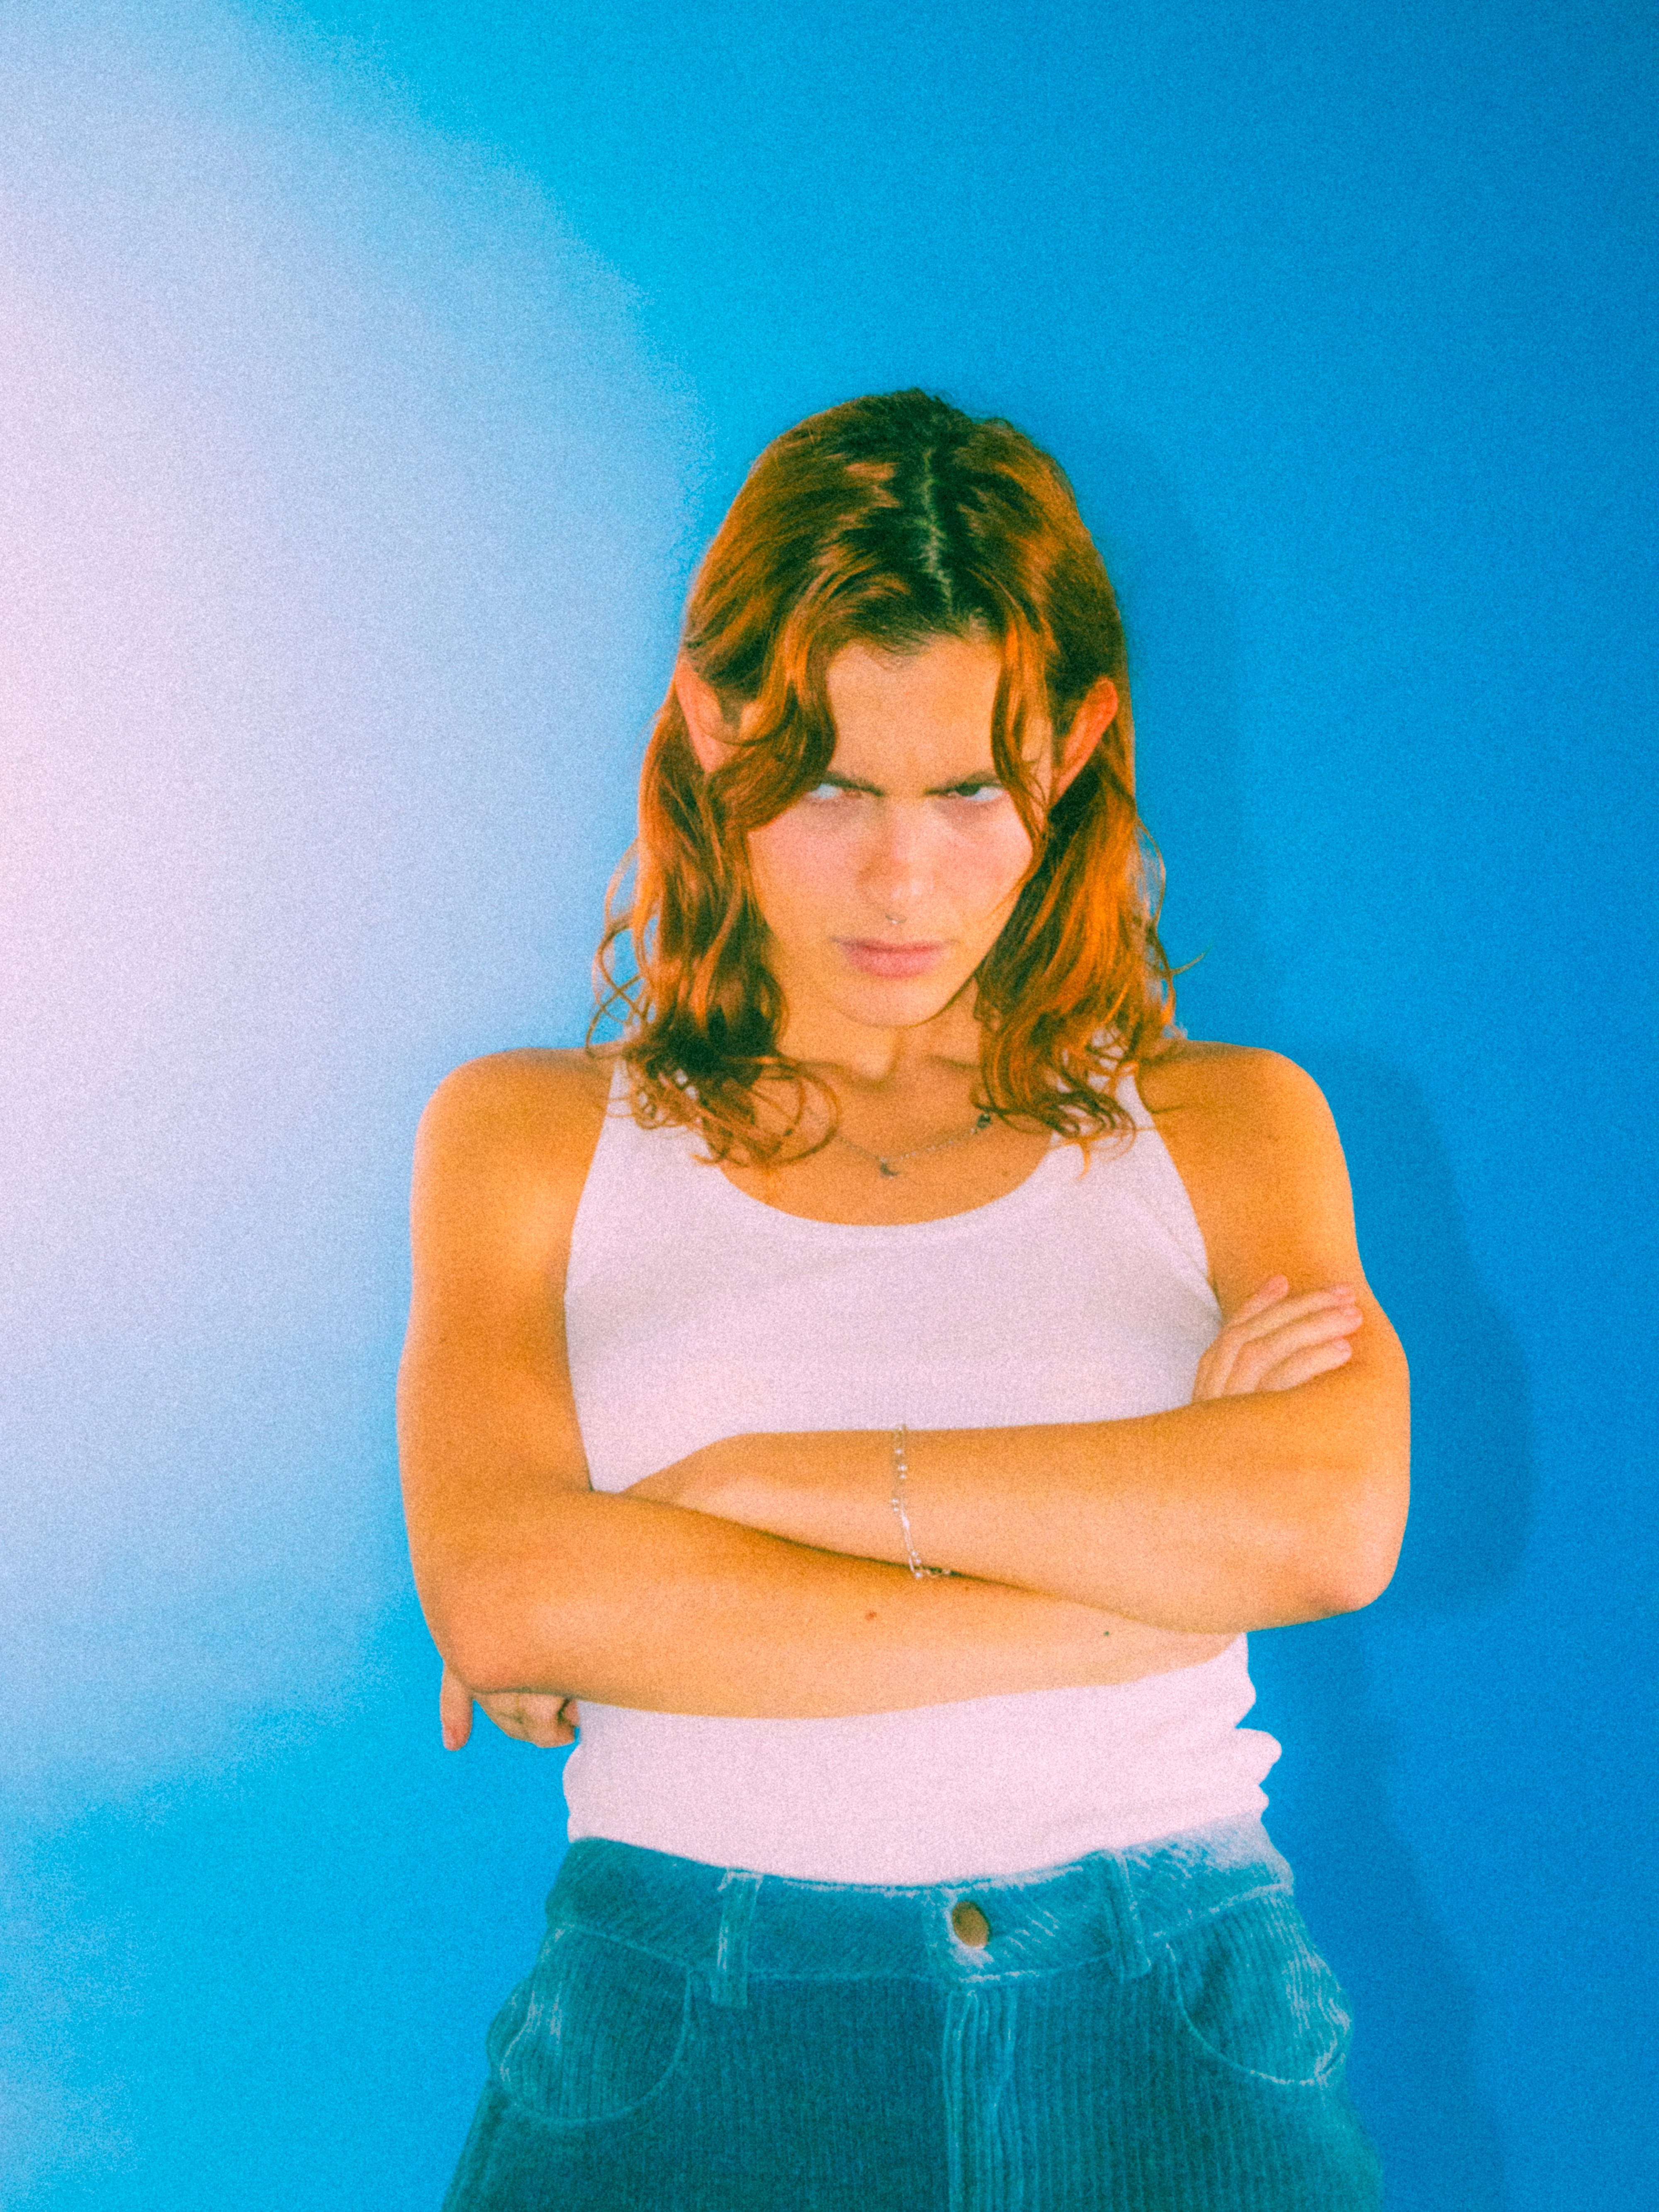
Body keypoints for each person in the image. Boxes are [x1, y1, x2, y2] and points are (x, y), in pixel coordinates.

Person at [398, 389, 1408, 2211]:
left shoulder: (1231, 1126)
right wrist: (1144, 1577)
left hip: (1167, 2018)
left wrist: (745, 1489)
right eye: (832, 786)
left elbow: (1328, 1525)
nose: (900, 875)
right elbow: (514, 1590)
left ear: (1075, 745)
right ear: (713, 726)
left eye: (967, 791)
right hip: (687, 2026)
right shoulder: (526, 1136)